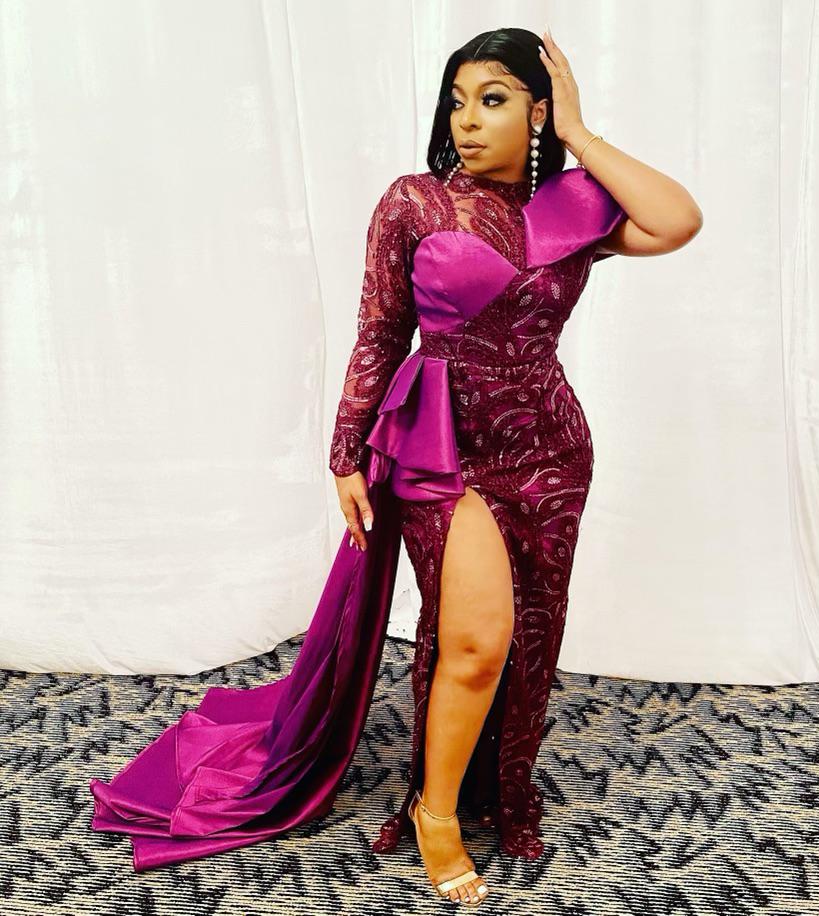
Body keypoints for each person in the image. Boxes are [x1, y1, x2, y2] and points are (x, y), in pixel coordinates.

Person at [88, 26, 702, 906]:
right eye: (457, 102)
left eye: (493, 100)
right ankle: (435, 811)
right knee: (475, 639)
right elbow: (381, 330)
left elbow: (677, 219)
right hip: (443, 445)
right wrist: (346, 450)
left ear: (537, 111)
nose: (467, 120)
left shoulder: (574, 205)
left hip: (551, 449)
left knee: (530, 632)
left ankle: (497, 784)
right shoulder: (415, 202)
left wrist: (579, 133)